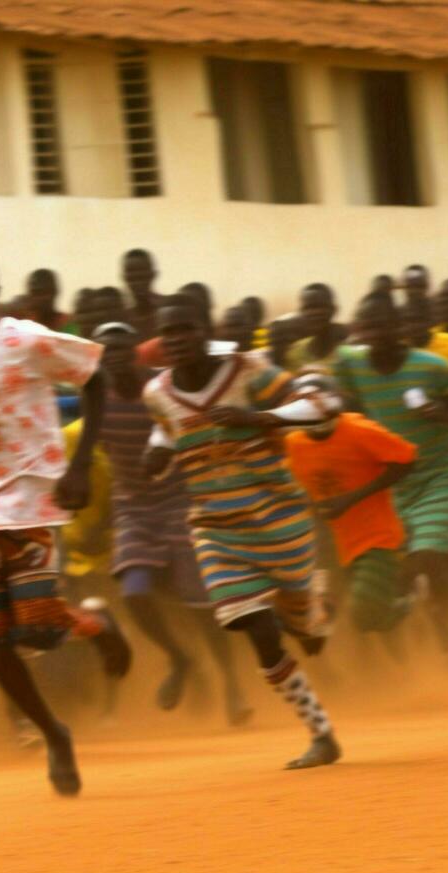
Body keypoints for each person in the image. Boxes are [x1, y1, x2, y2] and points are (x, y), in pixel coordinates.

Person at [0, 245, 132, 796]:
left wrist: (79, 465)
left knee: (37, 629)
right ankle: (53, 732)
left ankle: (94, 623)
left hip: (30, 496)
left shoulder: (24, 340)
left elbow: (95, 378)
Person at [143, 296, 342, 770]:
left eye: (186, 329)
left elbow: (323, 406)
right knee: (258, 628)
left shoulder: (249, 369)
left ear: (205, 329)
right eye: (168, 333)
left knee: (305, 631)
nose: (177, 340)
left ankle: (310, 609)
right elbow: (168, 428)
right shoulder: (157, 392)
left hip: (280, 519)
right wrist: (158, 451)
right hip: (216, 528)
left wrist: (258, 418)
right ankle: (321, 734)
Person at [331, 292, 448, 695]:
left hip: (445, 476)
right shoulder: (352, 366)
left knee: (425, 556)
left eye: (384, 325)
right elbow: (344, 403)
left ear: (400, 329)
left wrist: (442, 414)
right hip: (397, 482)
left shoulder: (431, 368)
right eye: (368, 326)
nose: (376, 334)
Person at [91, 320, 252, 723]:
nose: (113, 360)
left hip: (181, 500)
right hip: (132, 506)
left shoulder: (160, 391)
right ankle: (180, 659)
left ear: (135, 354)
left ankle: (232, 684)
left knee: (200, 604)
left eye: (121, 351)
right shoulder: (95, 399)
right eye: (104, 354)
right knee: (134, 593)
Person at [283, 376, 419, 635]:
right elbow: (306, 490)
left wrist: (353, 497)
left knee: (362, 614)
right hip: (343, 544)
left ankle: (410, 597)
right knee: (369, 622)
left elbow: (407, 458)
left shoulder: (358, 429)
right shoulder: (294, 444)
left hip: (380, 537)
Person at [286, 283, 350, 372]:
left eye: (321, 306)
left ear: (334, 310)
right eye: (308, 308)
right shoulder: (294, 352)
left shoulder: (349, 351)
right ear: (300, 313)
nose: (314, 313)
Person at [122, 248, 163, 340]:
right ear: (124, 277)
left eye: (141, 273)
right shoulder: (121, 318)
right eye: (132, 273)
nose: (137, 278)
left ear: (153, 274)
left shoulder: (168, 310)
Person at [25, 268, 73, 334]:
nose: (40, 299)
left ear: (55, 292)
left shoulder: (68, 323)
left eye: (45, 292)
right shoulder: (24, 326)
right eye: (36, 293)